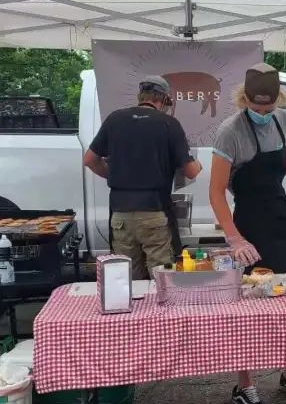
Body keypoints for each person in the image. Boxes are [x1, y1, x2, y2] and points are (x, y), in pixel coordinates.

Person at [209, 63, 286, 404]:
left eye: (268, 107)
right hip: (249, 222)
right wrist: (234, 238)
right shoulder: (229, 132)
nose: (263, 113)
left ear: (278, 100)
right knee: (248, 308)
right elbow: (216, 192)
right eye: (256, 107)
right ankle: (243, 385)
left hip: (281, 217)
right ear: (244, 99)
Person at [83, 76, 202, 280]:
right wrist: (198, 164)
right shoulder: (168, 124)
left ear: (141, 96)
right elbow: (190, 171)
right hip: (154, 213)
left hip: (120, 215)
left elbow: (90, 160)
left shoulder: (115, 119)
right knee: (161, 278)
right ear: (163, 100)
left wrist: (114, 175)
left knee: (127, 278)